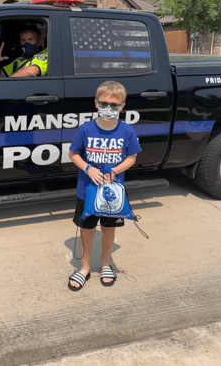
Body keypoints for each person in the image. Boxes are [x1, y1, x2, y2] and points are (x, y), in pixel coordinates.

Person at [68, 80, 141, 291]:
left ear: (122, 106)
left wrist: (115, 171)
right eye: (104, 104)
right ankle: (84, 268)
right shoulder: (86, 129)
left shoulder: (126, 130)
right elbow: (73, 154)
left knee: (108, 229)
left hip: (112, 193)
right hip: (87, 191)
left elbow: (132, 157)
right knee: (87, 229)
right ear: (96, 103)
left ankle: (106, 264)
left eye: (114, 105)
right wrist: (88, 169)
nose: (108, 109)